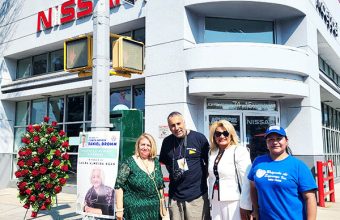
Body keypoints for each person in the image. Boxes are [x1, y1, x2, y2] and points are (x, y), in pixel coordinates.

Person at [247, 125, 317, 220]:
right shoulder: (258, 162)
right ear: (266, 143)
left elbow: (310, 198)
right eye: (270, 139)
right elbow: (252, 187)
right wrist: (255, 209)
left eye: (279, 138)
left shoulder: (299, 166)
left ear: (286, 141)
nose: (275, 142)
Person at [159, 111, 210, 220]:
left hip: (196, 196)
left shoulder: (199, 138)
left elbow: (208, 162)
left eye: (179, 123)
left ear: (184, 122)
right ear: (169, 127)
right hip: (175, 197)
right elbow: (167, 164)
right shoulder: (167, 142)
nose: (176, 128)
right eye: (172, 125)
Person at [208, 120, 252, 220]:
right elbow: (211, 177)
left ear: (231, 135)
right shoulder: (212, 152)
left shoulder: (239, 151)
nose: (222, 136)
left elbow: (246, 180)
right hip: (215, 199)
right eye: (218, 134)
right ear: (214, 136)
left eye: (225, 133)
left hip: (234, 201)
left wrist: (246, 205)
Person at [115, 133, 165, 220]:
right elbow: (119, 186)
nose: (145, 147)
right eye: (143, 144)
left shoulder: (156, 162)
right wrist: (119, 209)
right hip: (135, 210)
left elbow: (160, 185)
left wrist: (163, 205)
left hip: (154, 209)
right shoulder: (129, 163)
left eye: (148, 145)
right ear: (138, 146)